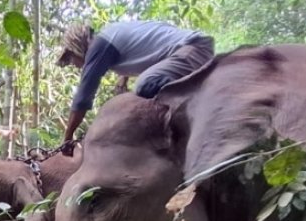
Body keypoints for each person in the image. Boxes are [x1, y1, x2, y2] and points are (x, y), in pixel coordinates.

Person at [56, 20, 214, 154]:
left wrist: (68, 136)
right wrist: (123, 77)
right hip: (191, 48)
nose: (74, 65)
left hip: (191, 49)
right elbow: (140, 47)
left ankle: (196, 117)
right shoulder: (110, 38)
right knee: (144, 88)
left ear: (76, 47)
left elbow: (83, 97)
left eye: (71, 59)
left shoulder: (99, 46)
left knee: (145, 84)